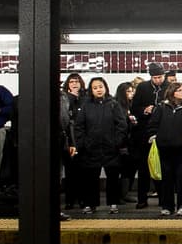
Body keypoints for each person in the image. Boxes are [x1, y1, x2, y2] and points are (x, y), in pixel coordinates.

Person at [74, 76, 129, 215]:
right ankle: (90, 204)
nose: (98, 90)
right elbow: (79, 127)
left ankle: (113, 203)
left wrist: (117, 141)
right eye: (95, 88)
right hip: (90, 149)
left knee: (113, 177)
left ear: (105, 87)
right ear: (91, 90)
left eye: (101, 87)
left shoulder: (113, 104)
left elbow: (122, 125)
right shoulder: (86, 106)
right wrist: (83, 143)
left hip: (111, 148)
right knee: (90, 178)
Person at [147, 81, 182, 217]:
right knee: (166, 179)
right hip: (165, 150)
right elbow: (153, 125)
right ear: (172, 93)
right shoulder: (161, 107)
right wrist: (155, 138)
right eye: (179, 90)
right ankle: (167, 206)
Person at [130, 63, 169, 209]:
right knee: (144, 167)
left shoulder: (169, 87)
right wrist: (144, 110)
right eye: (155, 77)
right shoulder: (143, 87)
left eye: (160, 77)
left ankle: (164, 198)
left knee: (163, 167)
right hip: (144, 133)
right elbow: (134, 108)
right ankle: (142, 198)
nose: (158, 80)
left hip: (163, 132)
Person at [60, 73, 86, 211]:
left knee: (82, 171)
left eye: (77, 81)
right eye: (71, 82)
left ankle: (82, 199)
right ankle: (70, 200)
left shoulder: (85, 98)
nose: (75, 84)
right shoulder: (64, 98)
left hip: (82, 138)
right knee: (70, 172)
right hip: (68, 139)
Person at [114, 81, 139, 202]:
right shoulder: (117, 106)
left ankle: (124, 193)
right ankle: (121, 194)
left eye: (132, 91)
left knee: (129, 168)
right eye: (128, 91)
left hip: (129, 142)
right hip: (121, 142)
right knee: (123, 169)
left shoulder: (130, 105)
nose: (131, 94)